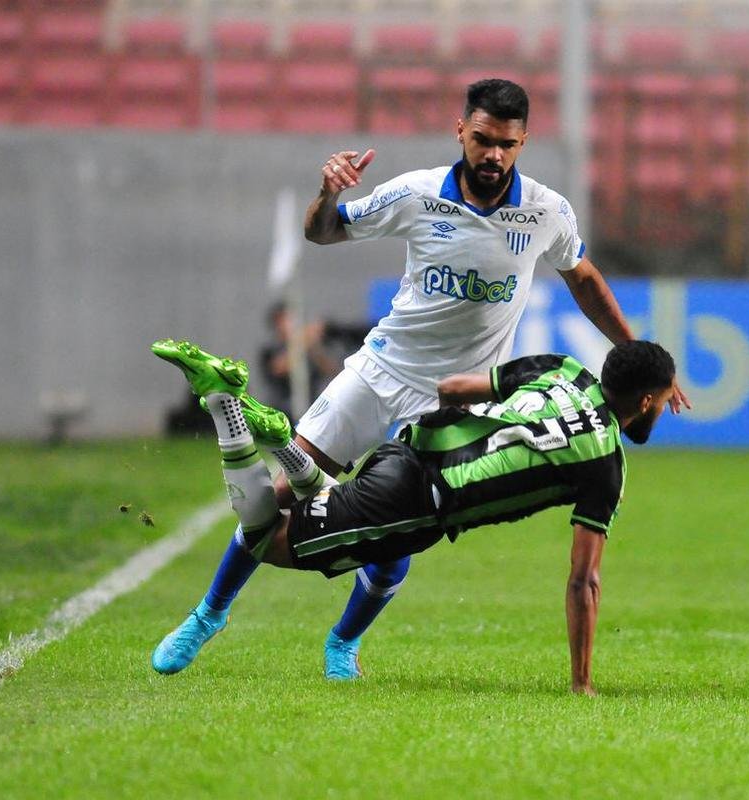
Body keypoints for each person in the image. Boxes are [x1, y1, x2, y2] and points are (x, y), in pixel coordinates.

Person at [174, 77, 690, 679]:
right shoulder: (417, 195)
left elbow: (584, 280)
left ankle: (343, 644)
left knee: (393, 542)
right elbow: (323, 231)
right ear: (461, 132)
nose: (492, 155)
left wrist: (642, 356)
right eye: (481, 139)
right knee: (280, 496)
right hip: (381, 371)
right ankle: (209, 614)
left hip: (449, 406)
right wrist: (326, 191)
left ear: (524, 141)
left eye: (506, 144)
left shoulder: (546, 211)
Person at [148, 337, 676, 694]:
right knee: (268, 538)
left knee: (389, 562)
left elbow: (452, 390)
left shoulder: (564, 369)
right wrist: (581, 684)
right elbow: (584, 580)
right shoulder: (605, 463)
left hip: (411, 443)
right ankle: (226, 407)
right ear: (648, 400)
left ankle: (339, 636)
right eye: (665, 397)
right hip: (419, 502)